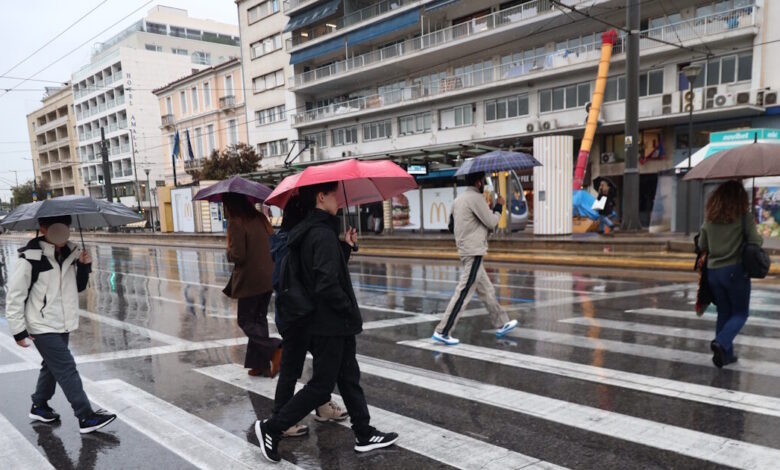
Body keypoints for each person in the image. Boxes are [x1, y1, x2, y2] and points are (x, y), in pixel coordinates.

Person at [256, 182, 398, 463]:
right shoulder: (320, 234)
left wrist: (343, 247)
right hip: (330, 323)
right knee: (322, 386)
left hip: (329, 323)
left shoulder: (314, 231)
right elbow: (326, 284)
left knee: (348, 378)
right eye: (334, 194)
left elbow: (319, 272)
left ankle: (364, 432)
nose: (339, 200)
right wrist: (349, 310)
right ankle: (271, 428)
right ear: (321, 197)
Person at [5, 215, 116, 434]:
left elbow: (78, 287)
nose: (62, 232)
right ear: (43, 229)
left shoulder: (70, 254)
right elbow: (15, 296)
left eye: (65, 227)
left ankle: (39, 405)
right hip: (40, 324)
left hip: (62, 322)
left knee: (52, 366)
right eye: (56, 228)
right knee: (66, 367)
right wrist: (19, 331)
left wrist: (85, 266)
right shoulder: (30, 258)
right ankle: (86, 416)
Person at [268, 196, 348, 439]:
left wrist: (343, 248)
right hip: (298, 315)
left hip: (299, 313)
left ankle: (322, 406)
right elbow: (314, 278)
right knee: (292, 367)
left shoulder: (291, 239)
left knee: (321, 364)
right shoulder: (294, 242)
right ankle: (281, 418)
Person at [433, 172, 518, 346]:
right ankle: (443, 331)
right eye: (483, 181)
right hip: (474, 251)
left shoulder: (459, 200)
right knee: (463, 292)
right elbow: (492, 222)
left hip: (466, 249)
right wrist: (499, 207)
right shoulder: (476, 198)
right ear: (479, 182)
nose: (484, 185)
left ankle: (501, 323)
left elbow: (451, 225)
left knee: (486, 290)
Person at [697, 180, 763, 368]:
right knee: (741, 313)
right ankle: (721, 342)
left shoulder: (710, 219)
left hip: (714, 273)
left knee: (724, 312)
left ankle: (726, 355)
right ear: (740, 197)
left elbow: (702, 245)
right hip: (735, 271)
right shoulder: (744, 217)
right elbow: (755, 241)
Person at [222, 193, 282, 377]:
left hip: (250, 280)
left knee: (246, 320)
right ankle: (260, 364)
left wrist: (228, 251)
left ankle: (274, 349)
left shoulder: (236, 222)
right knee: (259, 319)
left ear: (230, 205)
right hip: (268, 277)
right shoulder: (259, 217)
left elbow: (238, 255)